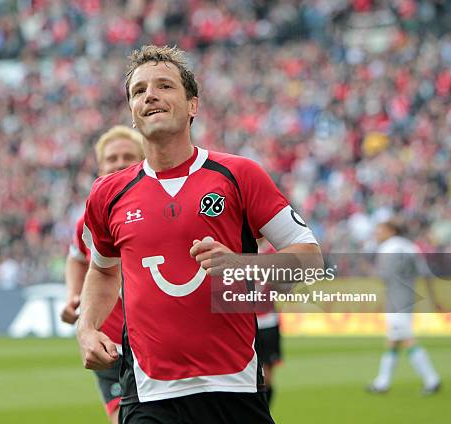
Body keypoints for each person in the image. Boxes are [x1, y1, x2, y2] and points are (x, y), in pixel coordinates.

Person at [77, 45, 323, 424]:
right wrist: (87, 328)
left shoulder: (239, 175)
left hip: (235, 390)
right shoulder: (108, 193)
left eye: (164, 85)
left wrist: (241, 266)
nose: (150, 95)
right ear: (132, 112)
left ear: (193, 104)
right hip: (148, 394)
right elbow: (103, 270)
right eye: (139, 91)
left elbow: (311, 259)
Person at [61, 125, 145, 423]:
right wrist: (74, 294)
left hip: (154, 341)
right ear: (100, 166)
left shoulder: (162, 207)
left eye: (128, 157)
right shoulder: (89, 217)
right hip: (110, 340)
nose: (119, 164)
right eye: (112, 158)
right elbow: (75, 258)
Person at [366, 219, 442, 395]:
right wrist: (433, 297)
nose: (377, 234)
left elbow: (383, 276)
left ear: (392, 231)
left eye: (380, 230)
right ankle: (382, 382)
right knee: (393, 341)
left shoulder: (387, 248)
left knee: (406, 339)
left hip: (395, 300)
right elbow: (425, 273)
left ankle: (432, 379)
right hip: (408, 298)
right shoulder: (411, 246)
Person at [255, 238, 283, 407]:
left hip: (268, 321)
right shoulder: (240, 246)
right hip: (246, 322)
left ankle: (265, 410)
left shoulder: (273, 252)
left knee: (268, 373)